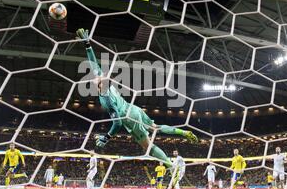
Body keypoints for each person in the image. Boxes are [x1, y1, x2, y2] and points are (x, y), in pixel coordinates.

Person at [75, 28, 198, 167]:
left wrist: (106, 137)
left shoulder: (106, 99)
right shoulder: (103, 83)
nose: (96, 76)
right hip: (134, 109)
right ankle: (183, 132)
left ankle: (171, 166)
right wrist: (87, 43)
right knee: (154, 127)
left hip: (129, 117)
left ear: (101, 84)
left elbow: (118, 124)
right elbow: (93, 62)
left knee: (147, 147)